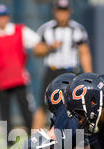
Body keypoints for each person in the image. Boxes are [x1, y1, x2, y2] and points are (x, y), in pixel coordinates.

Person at [0, 4, 41, 138]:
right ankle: (8, 140)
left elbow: (37, 42)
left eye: (4, 16)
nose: (2, 20)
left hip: (20, 79)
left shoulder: (19, 30)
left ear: (8, 17)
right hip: (2, 80)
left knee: (26, 109)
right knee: (4, 113)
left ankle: (34, 137)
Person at [32, 0, 93, 130]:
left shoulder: (77, 29)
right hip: (52, 71)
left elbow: (84, 53)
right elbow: (37, 50)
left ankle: (80, 137)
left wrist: (88, 75)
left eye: (64, 11)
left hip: (71, 72)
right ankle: (34, 139)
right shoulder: (46, 29)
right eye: (59, 11)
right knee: (42, 105)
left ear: (70, 12)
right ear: (54, 11)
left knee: (77, 105)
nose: (62, 15)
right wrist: (49, 47)